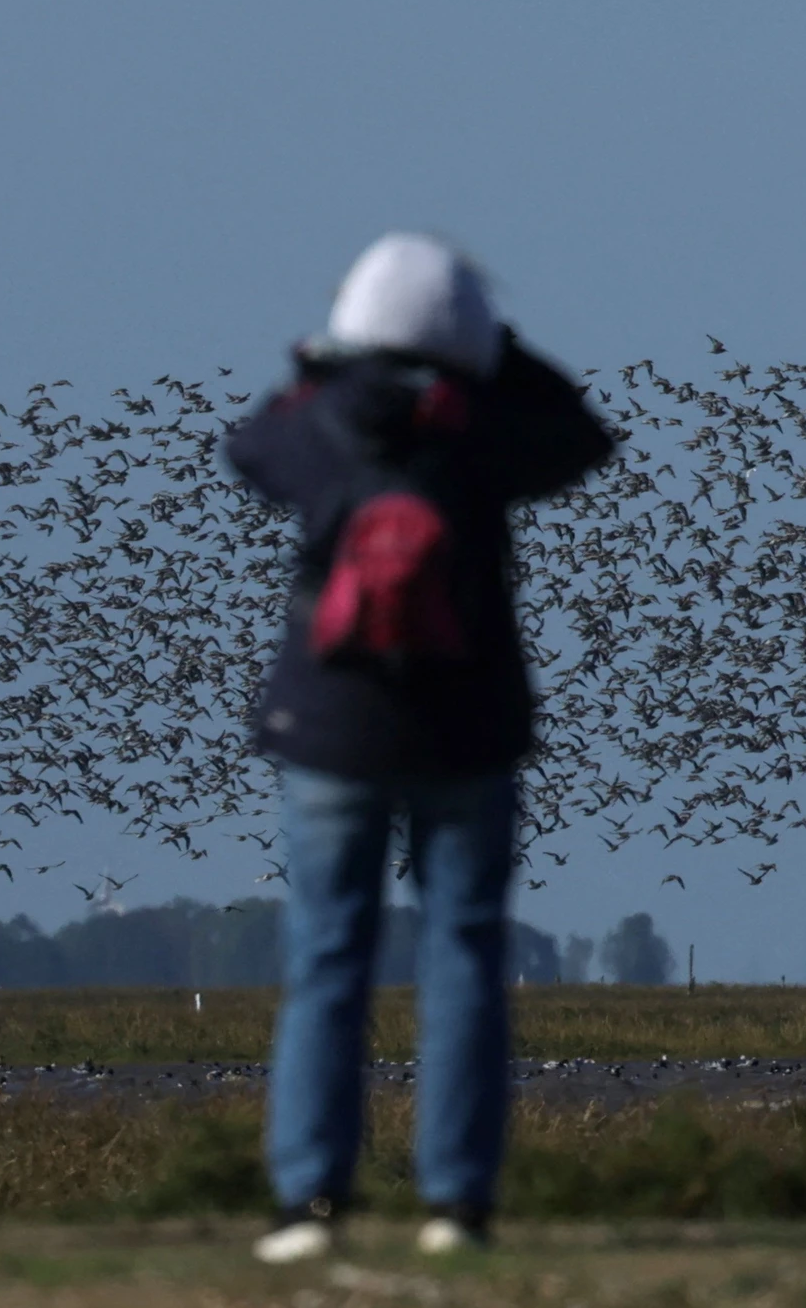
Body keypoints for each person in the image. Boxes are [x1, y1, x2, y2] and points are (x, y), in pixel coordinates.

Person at [226, 233, 613, 1263]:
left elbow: (250, 446)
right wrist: (503, 360)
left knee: (325, 958)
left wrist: (321, 367)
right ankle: (457, 1204)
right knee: (465, 958)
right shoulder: (483, 431)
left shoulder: (321, 428)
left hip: (330, 726)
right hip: (466, 726)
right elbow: (581, 436)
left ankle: (309, 1201)